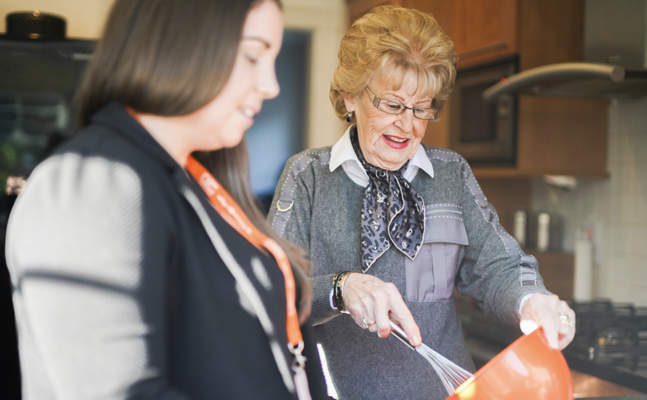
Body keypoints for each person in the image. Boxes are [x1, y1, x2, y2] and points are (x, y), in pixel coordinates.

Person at [5, 0, 329, 399]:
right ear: (179, 44)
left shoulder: (199, 180)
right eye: (252, 56)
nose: (271, 85)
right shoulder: (97, 180)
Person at [268, 5, 576, 400]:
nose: (407, 124)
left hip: (450, 393)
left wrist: (532, 301)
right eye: (392, 105)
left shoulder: (451, 174)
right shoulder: (308, 176)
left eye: (421, 107)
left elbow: (497, 265)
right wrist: (340, 288)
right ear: (350, 97)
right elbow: (270, 290)